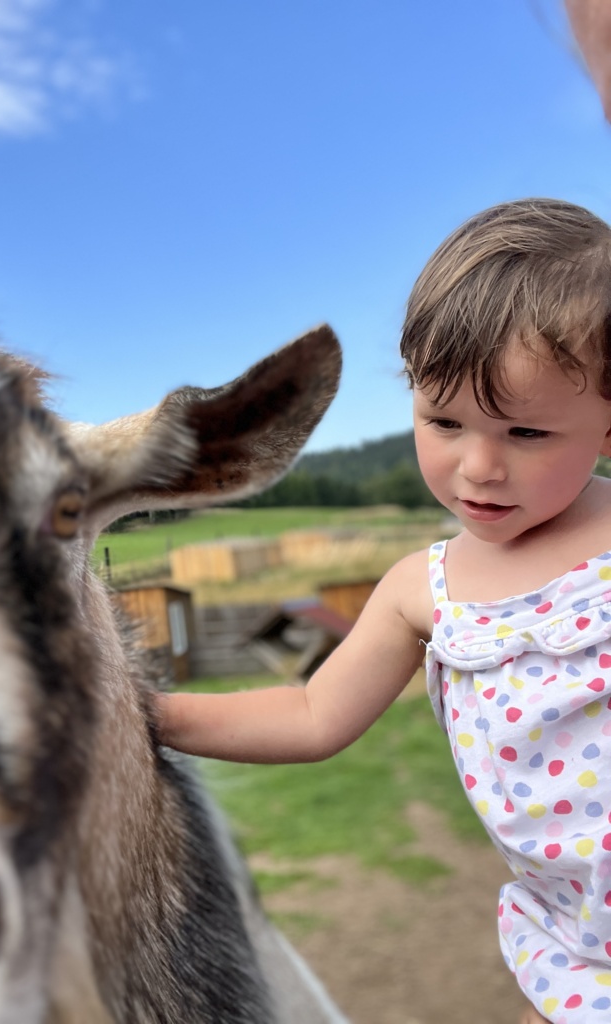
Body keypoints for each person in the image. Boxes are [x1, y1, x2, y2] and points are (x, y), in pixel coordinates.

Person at [157, 197, 611, 1024]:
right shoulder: (418, 590)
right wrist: (147, 714)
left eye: (526, 433)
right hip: (577, 958)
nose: (478, 467)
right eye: (443, 421)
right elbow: (308, 712)